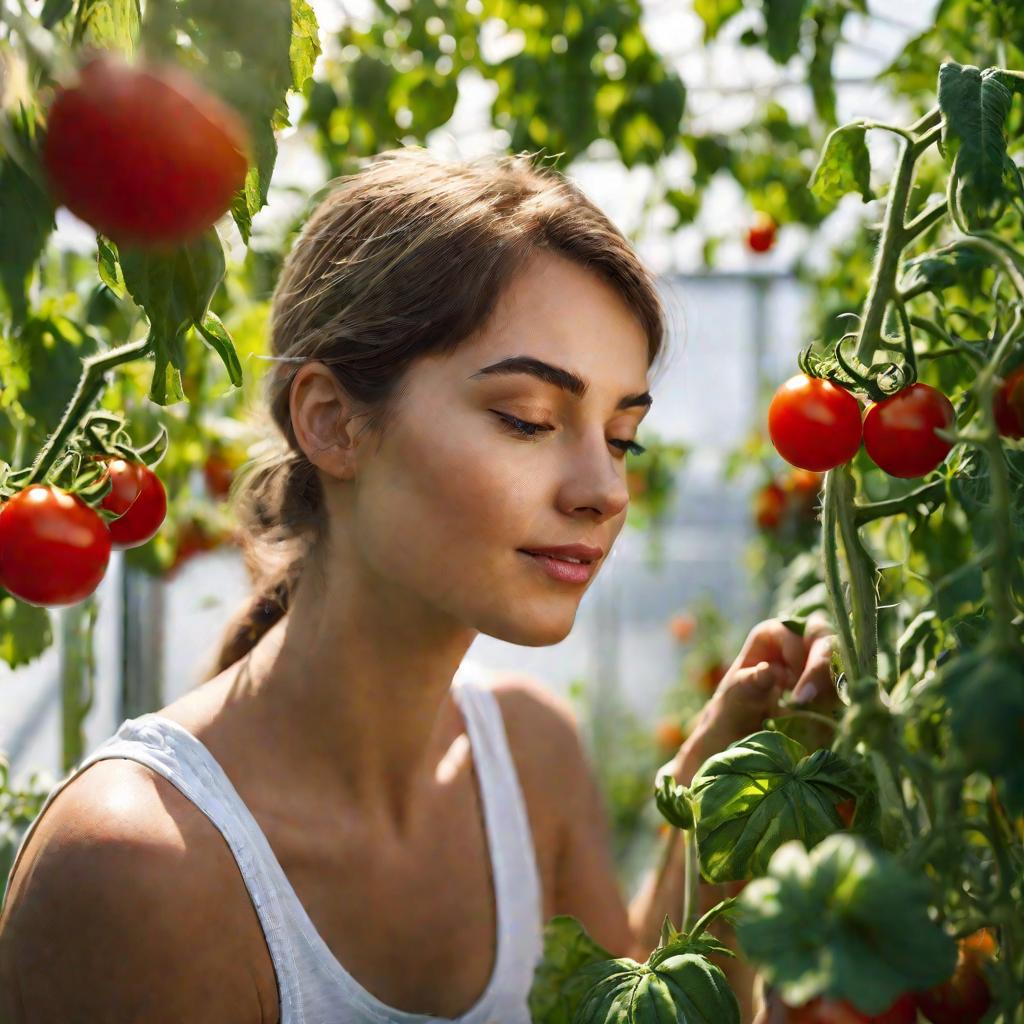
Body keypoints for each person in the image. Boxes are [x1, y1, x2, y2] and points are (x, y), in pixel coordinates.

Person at [0, 145, 838, 1024]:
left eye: (622, 436)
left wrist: (721, 802)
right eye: (528, 420)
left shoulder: (531, 758)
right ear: (332, 423)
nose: (606, 490)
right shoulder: (138, 870)